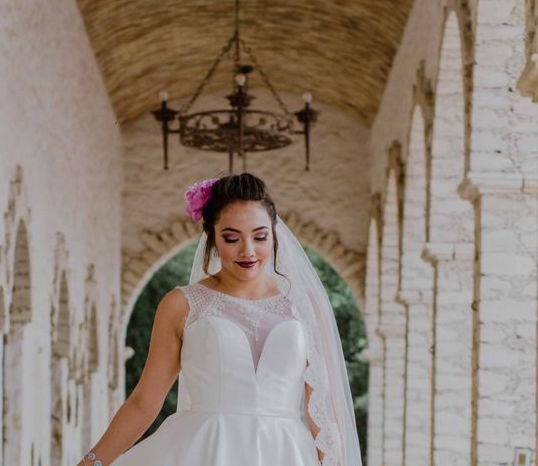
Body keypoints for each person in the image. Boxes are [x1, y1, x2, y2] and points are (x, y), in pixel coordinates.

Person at [77, 173, 362, 466]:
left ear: (274, 235)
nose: (248, 250)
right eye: (231, 237)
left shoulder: (305, 306)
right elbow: (143, 402)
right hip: (202, 451)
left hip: (287, 454)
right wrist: (91, 462)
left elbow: (323, 410)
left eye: (260, 236)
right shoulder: (182, 305)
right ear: (212, 238)